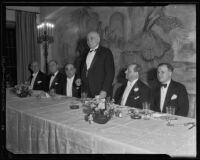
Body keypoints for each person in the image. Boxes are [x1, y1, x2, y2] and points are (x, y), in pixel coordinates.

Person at [79, 31, 115, 98]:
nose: (89, 41)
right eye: (87, 39)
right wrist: (80, 79)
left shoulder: (106, 52)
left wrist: (105, 90)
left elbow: (110, 73)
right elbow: (84, 70)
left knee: (100, 109)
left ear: (98, 40)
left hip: (100, 91)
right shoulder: (85, 53)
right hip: (86, 91)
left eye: (91, 38)